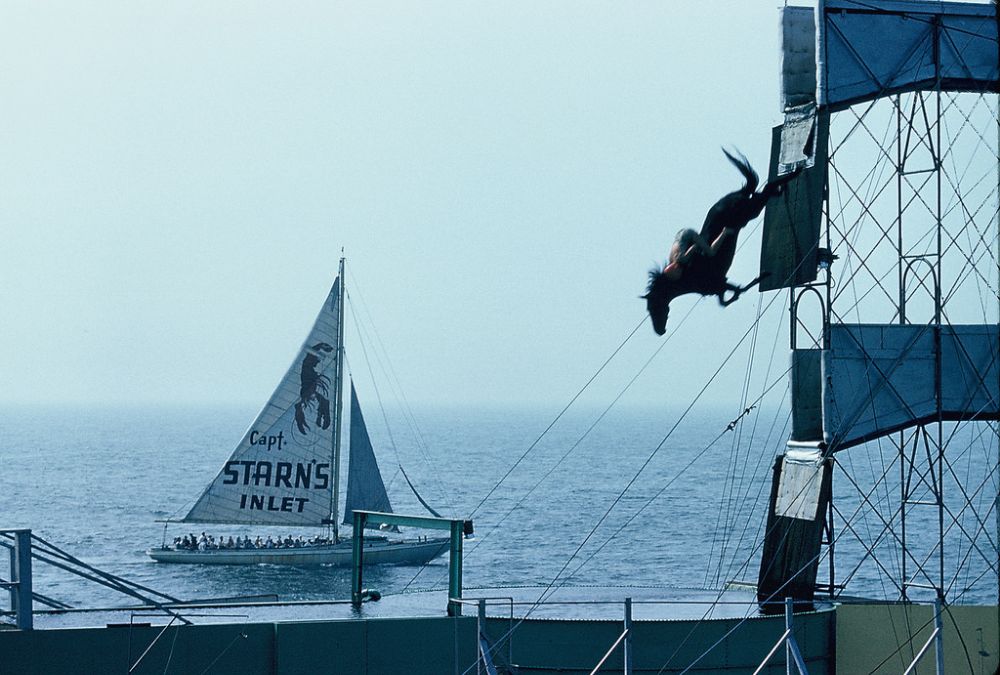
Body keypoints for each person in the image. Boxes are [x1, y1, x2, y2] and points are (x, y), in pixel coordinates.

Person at [660, 226, 737, 281]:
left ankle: (725, 232)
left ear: (676, 269)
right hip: (680, 235)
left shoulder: (682, 260)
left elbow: (693, 247)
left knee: (710, 252)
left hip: (688, 235)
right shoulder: (671, 259)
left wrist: (700, 246)